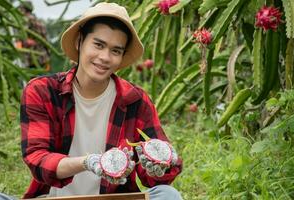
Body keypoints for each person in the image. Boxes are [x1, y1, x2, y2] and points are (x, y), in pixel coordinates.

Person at [20, 2, 182, 199]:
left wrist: (163, 162)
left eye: (115, 51)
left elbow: (156, 180)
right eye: (98, 45)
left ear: (121, 56)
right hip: (54, 197)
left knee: (167, 194)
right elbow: (37, 159)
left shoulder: (135, 100)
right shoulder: (42, 91)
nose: (104, 57)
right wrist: (89, 162)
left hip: (114, 198)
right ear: (80, 42)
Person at [16, 0, 51, 71]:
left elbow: (21, 38)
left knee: (34, 80)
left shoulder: (26, 20)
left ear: (23, 9)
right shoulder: (38, 20)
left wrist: (19, 43)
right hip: (43, 57)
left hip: (32, 58)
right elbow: (46, 42)